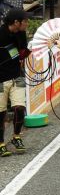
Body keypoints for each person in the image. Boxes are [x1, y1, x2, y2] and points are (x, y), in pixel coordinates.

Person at [0, 9, 30, 156]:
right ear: (16, 22)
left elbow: (21, 51)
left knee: (19, 108)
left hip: (17, 76)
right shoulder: (1, 34)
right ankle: (1, 143)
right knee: (1, 112)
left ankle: (16, 137)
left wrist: (25, 53)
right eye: (25, 21)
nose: (27, 24)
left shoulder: (21, 33)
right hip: (1, 79)